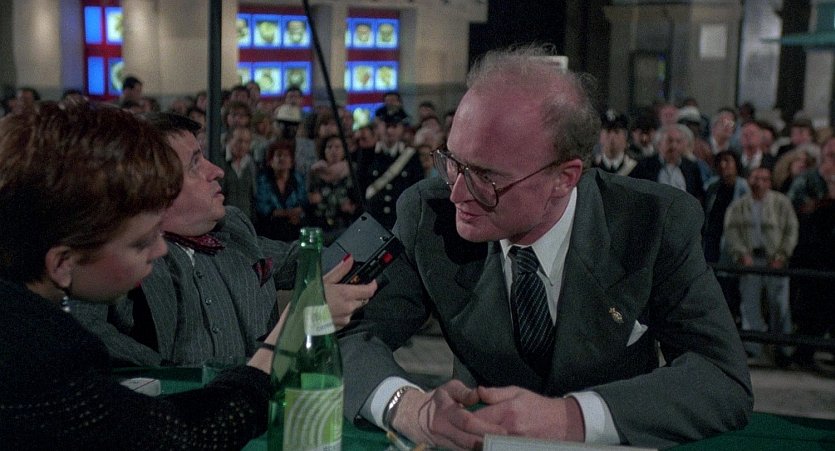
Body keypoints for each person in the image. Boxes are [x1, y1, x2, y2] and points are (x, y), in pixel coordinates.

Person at [337, 46, 752, 450]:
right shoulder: (428, 216)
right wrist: (406, 406)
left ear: (564, 178)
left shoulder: (653, 222)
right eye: (452, 162)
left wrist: (571, 418)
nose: (457, 192)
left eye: (485, 177)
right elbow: (344, 334)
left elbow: (721, 376)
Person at [0, 101, 278, 448]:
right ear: (62, 264)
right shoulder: (43, 361)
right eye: (140, 242)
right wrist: (273, 353)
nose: (161, 250)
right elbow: (174, 438)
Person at [72, 113, 374, 367]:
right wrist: (167, 376)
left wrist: (386, 242)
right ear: (152, 187)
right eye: (195, 164)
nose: (216, 171)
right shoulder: (124, 258)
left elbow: (306, 259)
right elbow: (82, 327)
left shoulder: (232, 229)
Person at [722, 167, 798, 363]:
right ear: (749, 180)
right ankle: (753, 348)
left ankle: (783, 349)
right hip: (750, 261)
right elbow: (731, 232)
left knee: (779, 305)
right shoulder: (739, 206)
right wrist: (741, 254)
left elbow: (791, 230)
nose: (759, 183)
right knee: (750, 305)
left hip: (775, 260)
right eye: (756, 178)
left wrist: (782, 255)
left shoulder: (781, 203)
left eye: (764, 179)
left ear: (770, 182)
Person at [255, 139, 308, 241]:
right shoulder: (263, 180)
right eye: (278, 155)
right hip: (269, 230)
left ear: (291, 161)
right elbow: (263, 209)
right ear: (270, 161)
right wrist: (288, 213)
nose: (282, 158)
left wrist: (296, 212)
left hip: (294, 229)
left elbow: (303, 201)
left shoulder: (298, 178)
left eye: (286, 155)